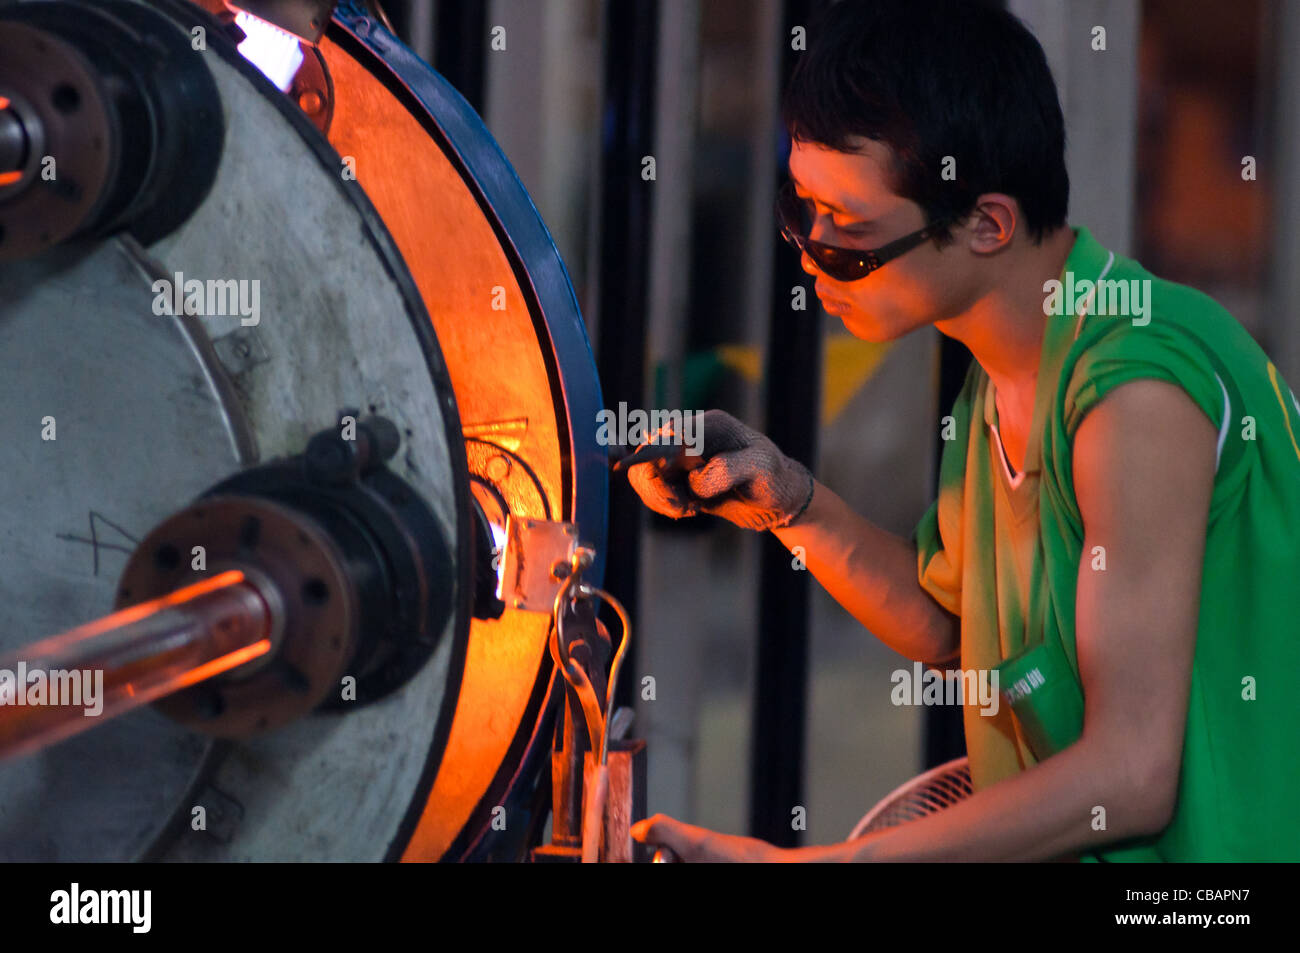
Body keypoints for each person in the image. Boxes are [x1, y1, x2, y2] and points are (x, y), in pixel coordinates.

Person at [626, 0, 1300, 862]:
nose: (811, 254)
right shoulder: (1002, 374)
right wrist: (791, 503)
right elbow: (957, 630)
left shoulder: (1136, 387)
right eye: (802, 214)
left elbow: (1131, 772)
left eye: (851, 232)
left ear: (988, 224)